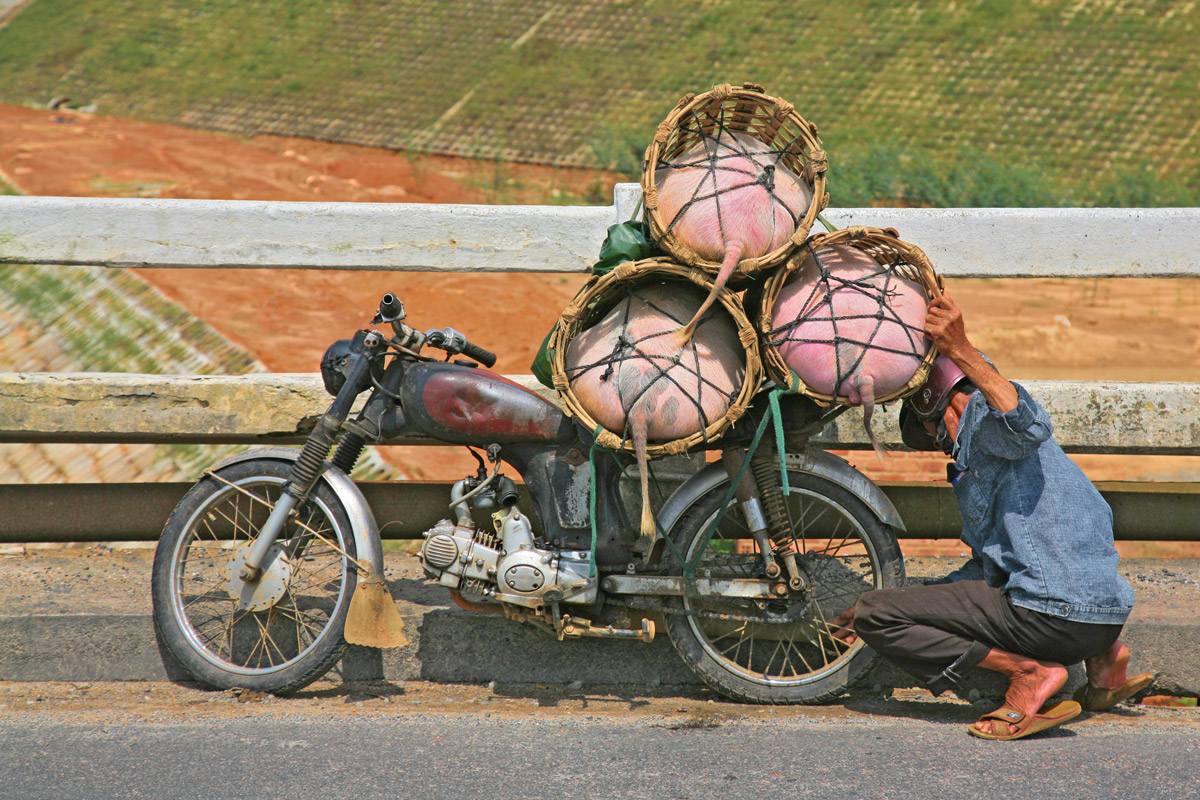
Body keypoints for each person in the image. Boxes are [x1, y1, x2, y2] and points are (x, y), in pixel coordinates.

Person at [830, 293, 1152, 741]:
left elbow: (1028, 422)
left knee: (875, 615)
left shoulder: (986, 425)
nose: (937, 444)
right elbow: (987, 573)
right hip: (1104, 618)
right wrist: (915, 596)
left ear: (944, 409)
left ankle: (1029, 675)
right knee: (905, 603)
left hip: (1051, 616)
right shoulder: (1045, 464)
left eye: (930, 432)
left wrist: (960, 349)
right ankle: (1103, 664)